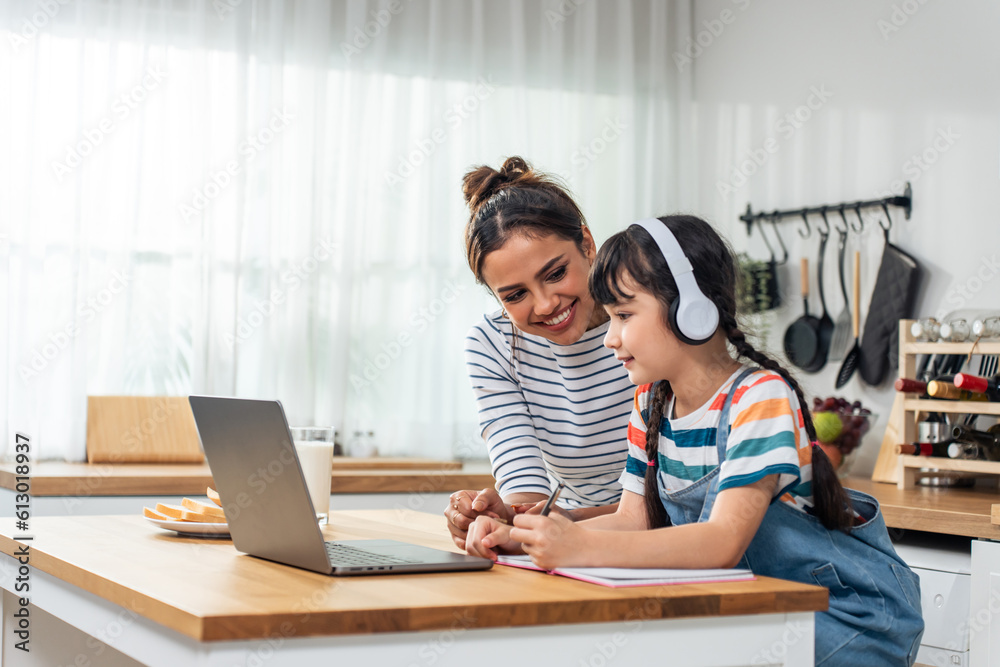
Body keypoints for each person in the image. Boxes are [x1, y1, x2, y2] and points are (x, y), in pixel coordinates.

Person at [465, 215, 924, 666]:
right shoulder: (651, 404)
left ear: (692, 308)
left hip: (840, 617)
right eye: (608, 319)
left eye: (623, 315)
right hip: (757, 610)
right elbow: (633, 522)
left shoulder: (758, 397)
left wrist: (579, 547)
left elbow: (721, 542)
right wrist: (521, 538)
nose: (609, 338)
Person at [445, 157, 635, 550]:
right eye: (515, 295)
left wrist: (562, 522)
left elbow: (671, 500)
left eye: (555, 274)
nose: (546, 304)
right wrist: (499, 517)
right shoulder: (492, 345)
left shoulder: (648, 319)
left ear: (586, 244)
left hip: (671, 537)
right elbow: (527, 497)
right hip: (573, 543)